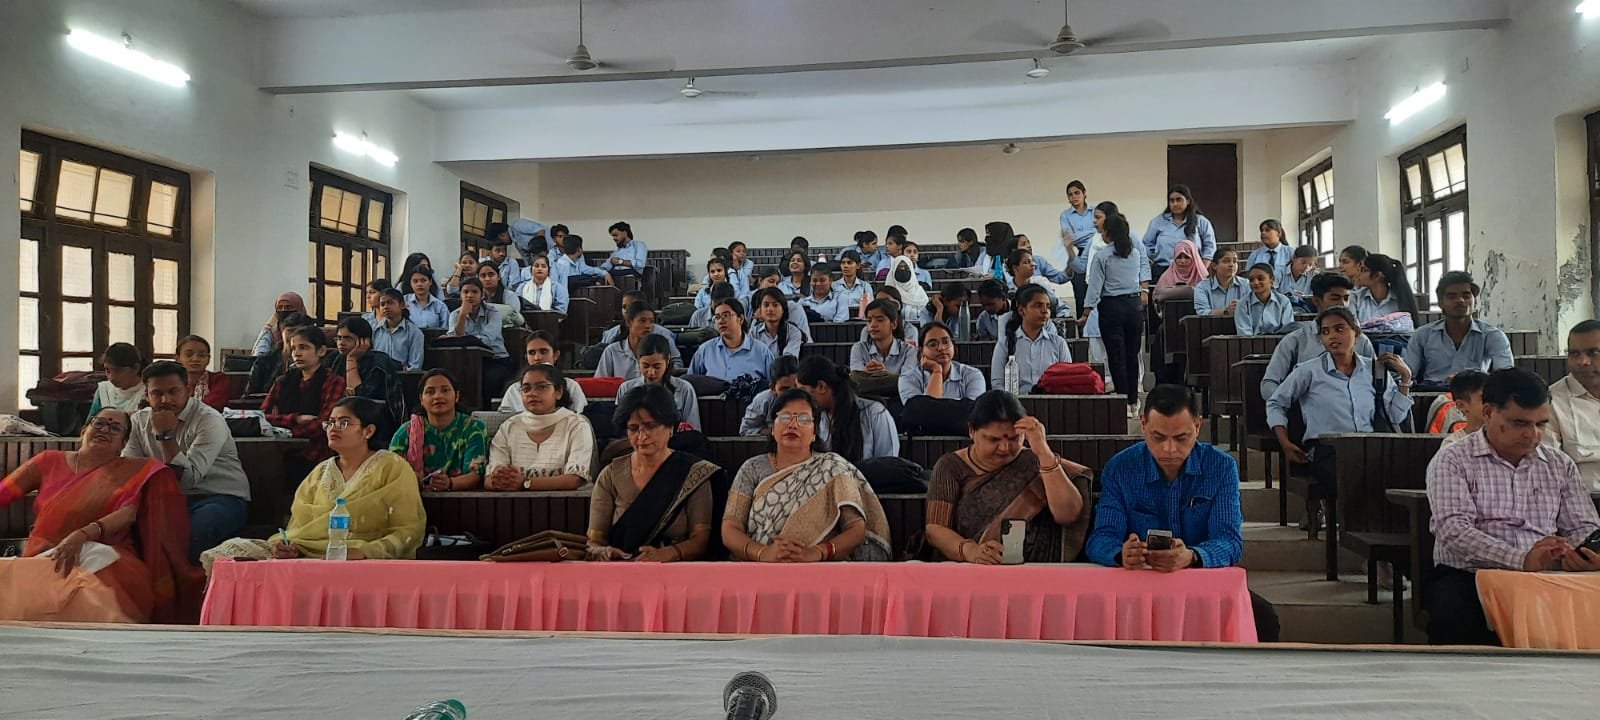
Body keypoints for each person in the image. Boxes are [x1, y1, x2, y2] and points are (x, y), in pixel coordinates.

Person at [1086, 384, 1280, 642]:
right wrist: (1122, 554)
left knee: (1263, 619)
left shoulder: (1220, 468)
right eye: (1158, 437)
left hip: (1199, 582)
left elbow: (1230, 542)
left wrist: (1192, 556)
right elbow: (1100, 539)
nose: (1169, 450)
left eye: (1181, 438)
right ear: (1142, 424)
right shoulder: (1121, 468)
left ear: (1198, 426)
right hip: (1138, 584)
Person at [1424, 368, 1600, 645]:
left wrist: (1583, 553)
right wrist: (1520, 560)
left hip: (1547, 572)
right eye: (1520, 423)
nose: (1532, 435)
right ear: (1488, 413)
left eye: (1541, 424)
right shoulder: (1453, 460)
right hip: (1471, 573)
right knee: (1454, 615)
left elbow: (1583, 525)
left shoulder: (1558, 463)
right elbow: (1453, 530)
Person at [0, 408, 199, 623]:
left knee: (95, 577)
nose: (105, 430)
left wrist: (82, 535)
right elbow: (5, 492)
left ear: (123, 444)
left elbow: (128, 513)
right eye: (99, 423)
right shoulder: (48, 461)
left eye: (115, 428)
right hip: (46, 554)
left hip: (106, 554)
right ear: (84, 430)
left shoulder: (132, 470)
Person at [200, 398, 426, 571]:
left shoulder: (392, 467)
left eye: (344, 422)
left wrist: (364, 552)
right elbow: (297, 529)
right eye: (330, 422)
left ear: (368, 430)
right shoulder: (320, 472)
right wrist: (286, 545)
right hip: (307, 552)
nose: (333, 428)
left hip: (358, 557)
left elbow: (408, 530)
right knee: (225, 554)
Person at [722, 388, 894, 563]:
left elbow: (856, 529)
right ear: (772, 428)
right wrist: (761, 553)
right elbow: (730, 527)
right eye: (785, 417)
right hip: (758, 568)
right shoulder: (751, 468)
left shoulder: (833, 467)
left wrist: (817, 553)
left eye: (803, 419)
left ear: (814, 433)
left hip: (820, 569)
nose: (793, 424)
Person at [926, 390, 1088, 563]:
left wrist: (1043, 452)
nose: (1004, 447)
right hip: (972, 571)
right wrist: (970, 551)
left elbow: (1069, 515)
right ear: (972, 431)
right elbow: (935, 528)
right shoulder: (951, 466)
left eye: (1014, 438)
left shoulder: (1037, 461)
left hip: (1036, 571)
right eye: (993, 440)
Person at [124, 361, 251, 561]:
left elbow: (187, 480)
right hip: (165, 498)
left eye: (174, 391)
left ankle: (187, 590)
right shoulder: (138, 421)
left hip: (218, 497)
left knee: (192, 532)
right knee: (126, 529)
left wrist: (165, 435)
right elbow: (129, 469)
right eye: (156, 393)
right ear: (146, 395)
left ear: (189, 390)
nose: (165, 400)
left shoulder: (209, 420)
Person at [588, 385, 724, 562]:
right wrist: (604, 552)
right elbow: (594, 542)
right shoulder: (610, 476)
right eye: (633, 428)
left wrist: (667, 554)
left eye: (650, 426)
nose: (641, 436)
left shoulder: (693, 473)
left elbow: (700, 541)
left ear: (671, 428)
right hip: (622, 572)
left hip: (678, 574)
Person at [1260, 273, 1377, 399]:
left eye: (1346, 298)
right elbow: (1269, 384)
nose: (1343, 304)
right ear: (1316, 301)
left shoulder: (1361, 341)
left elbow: (1376, 379)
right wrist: (1289, 404)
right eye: (1335, 298)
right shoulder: (1296, 341)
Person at [485, 364, 596, 491]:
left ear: (558, 392)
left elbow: (575, 479)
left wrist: (525, 484)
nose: (532, 393)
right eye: (526, 389)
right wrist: (499, 480)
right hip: (511, 504)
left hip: (566, 505)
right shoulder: (509, 427)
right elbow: (489, 479)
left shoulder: (576, 425)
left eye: (541, 387)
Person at [1082, 213, 1150, 411]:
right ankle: (1134, 401)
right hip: (1134, 307)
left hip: (1112, 308)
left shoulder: (1102, 256)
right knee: (1132, 354)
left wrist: (1086, 313)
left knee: (1116, 356)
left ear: (1108, 233)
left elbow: (1094, 288)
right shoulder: (1135, 253)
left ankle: (1122, 400)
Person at [1403, 271, 1513, 387]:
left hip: (1476, 396)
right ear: (1441, 303)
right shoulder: (1422, 335)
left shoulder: (1492, 335)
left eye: (1466, 296)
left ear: (1475, 302)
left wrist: (1468, 379)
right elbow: (1409, 374)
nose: (1460, 300)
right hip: (1432, 396)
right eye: (1452, 296)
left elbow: (1506, 376)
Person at [389, 369, 488, 492]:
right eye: (430, 392)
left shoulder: (473, 428)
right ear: (421, 400)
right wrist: (416, 480)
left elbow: (476, 475)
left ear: (456, 396)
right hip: (415, 497)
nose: (438, 396)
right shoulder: (406, 431)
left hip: (462, 498)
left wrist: (450, 483)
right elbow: (393, 471)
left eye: (445, 390)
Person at [262, 326, 346, 469]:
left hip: (316, 452)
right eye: (294, 348)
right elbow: (262, 418)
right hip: (278, 449)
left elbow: (323, 424)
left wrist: (282, 428)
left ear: (321, 351)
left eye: (304, 347)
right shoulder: (283, 381)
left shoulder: (333, 381)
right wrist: (296, 419)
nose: (297, 353)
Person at [796, 356, 899, 462]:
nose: (802, 398)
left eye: (803, 390)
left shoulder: (875, 413)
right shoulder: (816, 418)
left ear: (821, 386)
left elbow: (888, 463)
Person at [1544, 320, 1600, 489]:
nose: (1583, 361)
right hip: (1584, 504)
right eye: (1574, 354)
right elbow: (1549, 468)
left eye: (1593, 352)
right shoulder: (1551, 402)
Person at [990, 285, 1072, 394]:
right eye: (1038, 306)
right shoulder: (1005, 344)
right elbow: (997, 383)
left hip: (1051, 403)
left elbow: (1067, 379)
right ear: (1021, 310)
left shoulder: (1058, 343)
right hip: (1015, 404)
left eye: (1048, 306)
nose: (1045, 311)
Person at [447, 278, 516, 399]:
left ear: (482, 295)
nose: (469, 295)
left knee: (490, 380)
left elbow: (488, 338)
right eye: (465, 292)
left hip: (496, 359)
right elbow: (454, 341)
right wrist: (462, 315)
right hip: (467, 360)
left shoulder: (493, 312)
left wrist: (467, 339)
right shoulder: (455, 314)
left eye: (474, 292)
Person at [617, 334, 702, 430]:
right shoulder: (626, 388)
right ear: (638, 360)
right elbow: (620, 428)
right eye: (645, 366)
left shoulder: (684, 389)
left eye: (657, 366)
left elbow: (693, 430)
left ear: (668, 360)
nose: (651, 372)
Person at [333, 316, 405, 425]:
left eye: (348, 338)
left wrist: (351, 360)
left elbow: (359, 399)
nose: (341, 343)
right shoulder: (335, 359)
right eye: (338, 338)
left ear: (365, 341)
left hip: (376, 421)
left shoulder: (379, 363)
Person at [498, 332, 590, 414]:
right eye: (532, 353)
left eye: (543, 351)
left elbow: (577, 417)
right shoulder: (514, 389)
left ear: (555, 355)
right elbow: (507, 421)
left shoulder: (570, 386)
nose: (537, 357)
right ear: (526, 357)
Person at [690, 298, 775, 383]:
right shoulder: (705, 350)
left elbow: (773, 386)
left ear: (740, 319)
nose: (720, 321)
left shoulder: (762, 352)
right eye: (717, 317)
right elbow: (690, 383)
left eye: (726, 316)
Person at [899, 321, 987, 403]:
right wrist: (936, 371)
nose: (941, 348)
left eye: (946, 342)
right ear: (921, 351)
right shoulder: (908, 378)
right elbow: (923, 414)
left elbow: (974, 413)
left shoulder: (972, 375)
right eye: (933, 344)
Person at [1142, 184, 1217, 277]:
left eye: (1179, 200)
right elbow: (1146, 244)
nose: (1175, 204)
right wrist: (1153, 258)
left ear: (1188, 201)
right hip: (1163, 269)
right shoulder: (1158, 222)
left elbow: (1210, 246)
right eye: (1172, 201)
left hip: (1192, 271)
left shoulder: (1201, 221)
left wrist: (1202, 269)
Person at [245, 312, 326, 394]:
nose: (294, 335)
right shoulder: (264, 361)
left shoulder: (319, 362)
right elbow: (249, 395)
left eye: (299, 331)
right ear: (281, 332)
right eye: (290, 331)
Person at [599, 290, 681, 360]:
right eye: (624, 307)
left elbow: (676, 361)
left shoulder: (663, 334)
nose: (627, 311)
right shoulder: (610, 336)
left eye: (632, 307)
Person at [851, 299, 919, 376]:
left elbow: (908, 381)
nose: (873, 325)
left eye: (879, 320)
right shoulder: (859, 349)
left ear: (893, 324)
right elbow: (855, 380)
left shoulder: (909, 351)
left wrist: (884, 375)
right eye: (869, 320)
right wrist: (864, 374)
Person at [1351, 253, 1419, 329]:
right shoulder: (1355, 297)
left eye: (1363, 270)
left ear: (1377, 275)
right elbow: (1353, 328)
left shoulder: (1401, 299)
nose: (1358, 274)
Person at [595, 302, 660, 381]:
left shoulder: (658, 350)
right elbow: (600, 383)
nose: (648, 326)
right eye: (642, 321)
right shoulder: (612, 351)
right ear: (629, 322)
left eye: (651, 321)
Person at [1058, 179, 1096, 312]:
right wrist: (1092, 232)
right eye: (1070, 194)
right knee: (1081, 294)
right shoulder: (1065, 215)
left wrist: (1077, 235)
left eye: (1077, 193)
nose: (1074, 197)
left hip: (1097, 251)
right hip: (1078, 254)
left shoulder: (1096, 210)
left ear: (1084, 193)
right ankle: (1082, 329)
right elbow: (1069, 238)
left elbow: (1100, 233)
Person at [740, 356, 802, 436]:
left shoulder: (810, 399)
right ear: (773, 388)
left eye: (796, 387)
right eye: (785, 389)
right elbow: (745, 430)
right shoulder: (763, 401)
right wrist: (775, 431)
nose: (792, 393)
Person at [369, 288, 425, 371]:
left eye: (390, 303)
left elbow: (415, 367)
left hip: (403, 378)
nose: (386, 307)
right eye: (382, 304)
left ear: (402, 305)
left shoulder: (414, 333)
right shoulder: (373, 330)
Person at [1234, 263, 1296, 336]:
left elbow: (1287, 330)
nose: (1255, 283)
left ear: (1272, 280)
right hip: (1250, 345)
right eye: (1251, 280)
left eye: (1260, 279)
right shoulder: (1243, 303)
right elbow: (1244, 334)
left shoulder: (1283, 301)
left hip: (1281, 344)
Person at [175, 335, 230, 411]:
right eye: (189, 355)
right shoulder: (171, 382)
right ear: (178, 359)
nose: (195, 359)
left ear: (208, 359)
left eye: (201, 355)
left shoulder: (219, 379)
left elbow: (213, 405)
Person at [88, 342, 145, 416]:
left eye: (118, 371)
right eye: (107, 370)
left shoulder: (147, 393)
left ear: (135, 368)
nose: (111, 377)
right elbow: (89, 424)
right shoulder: (104, 390)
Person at [1437, 369, 1489, 450]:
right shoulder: (1452, 445)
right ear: (1461, 405)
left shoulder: (1506, 437)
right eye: (1484, 398)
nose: (1492, 402)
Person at [750, 287, 804, 359]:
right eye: (766, 305)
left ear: (783, 309)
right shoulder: (754, 332)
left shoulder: (793, 332)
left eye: (775, 305)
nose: (770, 309)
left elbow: (788, 360)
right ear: (760, 309)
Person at [1193, 248, 1248, 316]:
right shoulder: (1202, 287)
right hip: (1212, 325)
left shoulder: (1246, 284)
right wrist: (1226, 312)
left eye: (1235, 261)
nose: (1231, 265)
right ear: (1214, 266)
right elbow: (1202, 313)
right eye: (1226, 261)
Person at [252, 292, 309, 356]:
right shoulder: (272, 332)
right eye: (280, 307)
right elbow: (259, 353)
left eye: (288, 307)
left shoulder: (309, 329)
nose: (283, 310)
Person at [884, 255, 930, 325]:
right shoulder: (887, 292)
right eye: (899, 267)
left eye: (906, 267)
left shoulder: (919, 292)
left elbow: (926, 315)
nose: (902, 270)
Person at [832, 250, 873, 321]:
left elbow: (871, 308)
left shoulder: (865, 286)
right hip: (838, 323)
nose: (845, 266)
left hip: (860, 323)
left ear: (858, 265)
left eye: (849, 263)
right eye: (843, 263)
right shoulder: (834, 286)